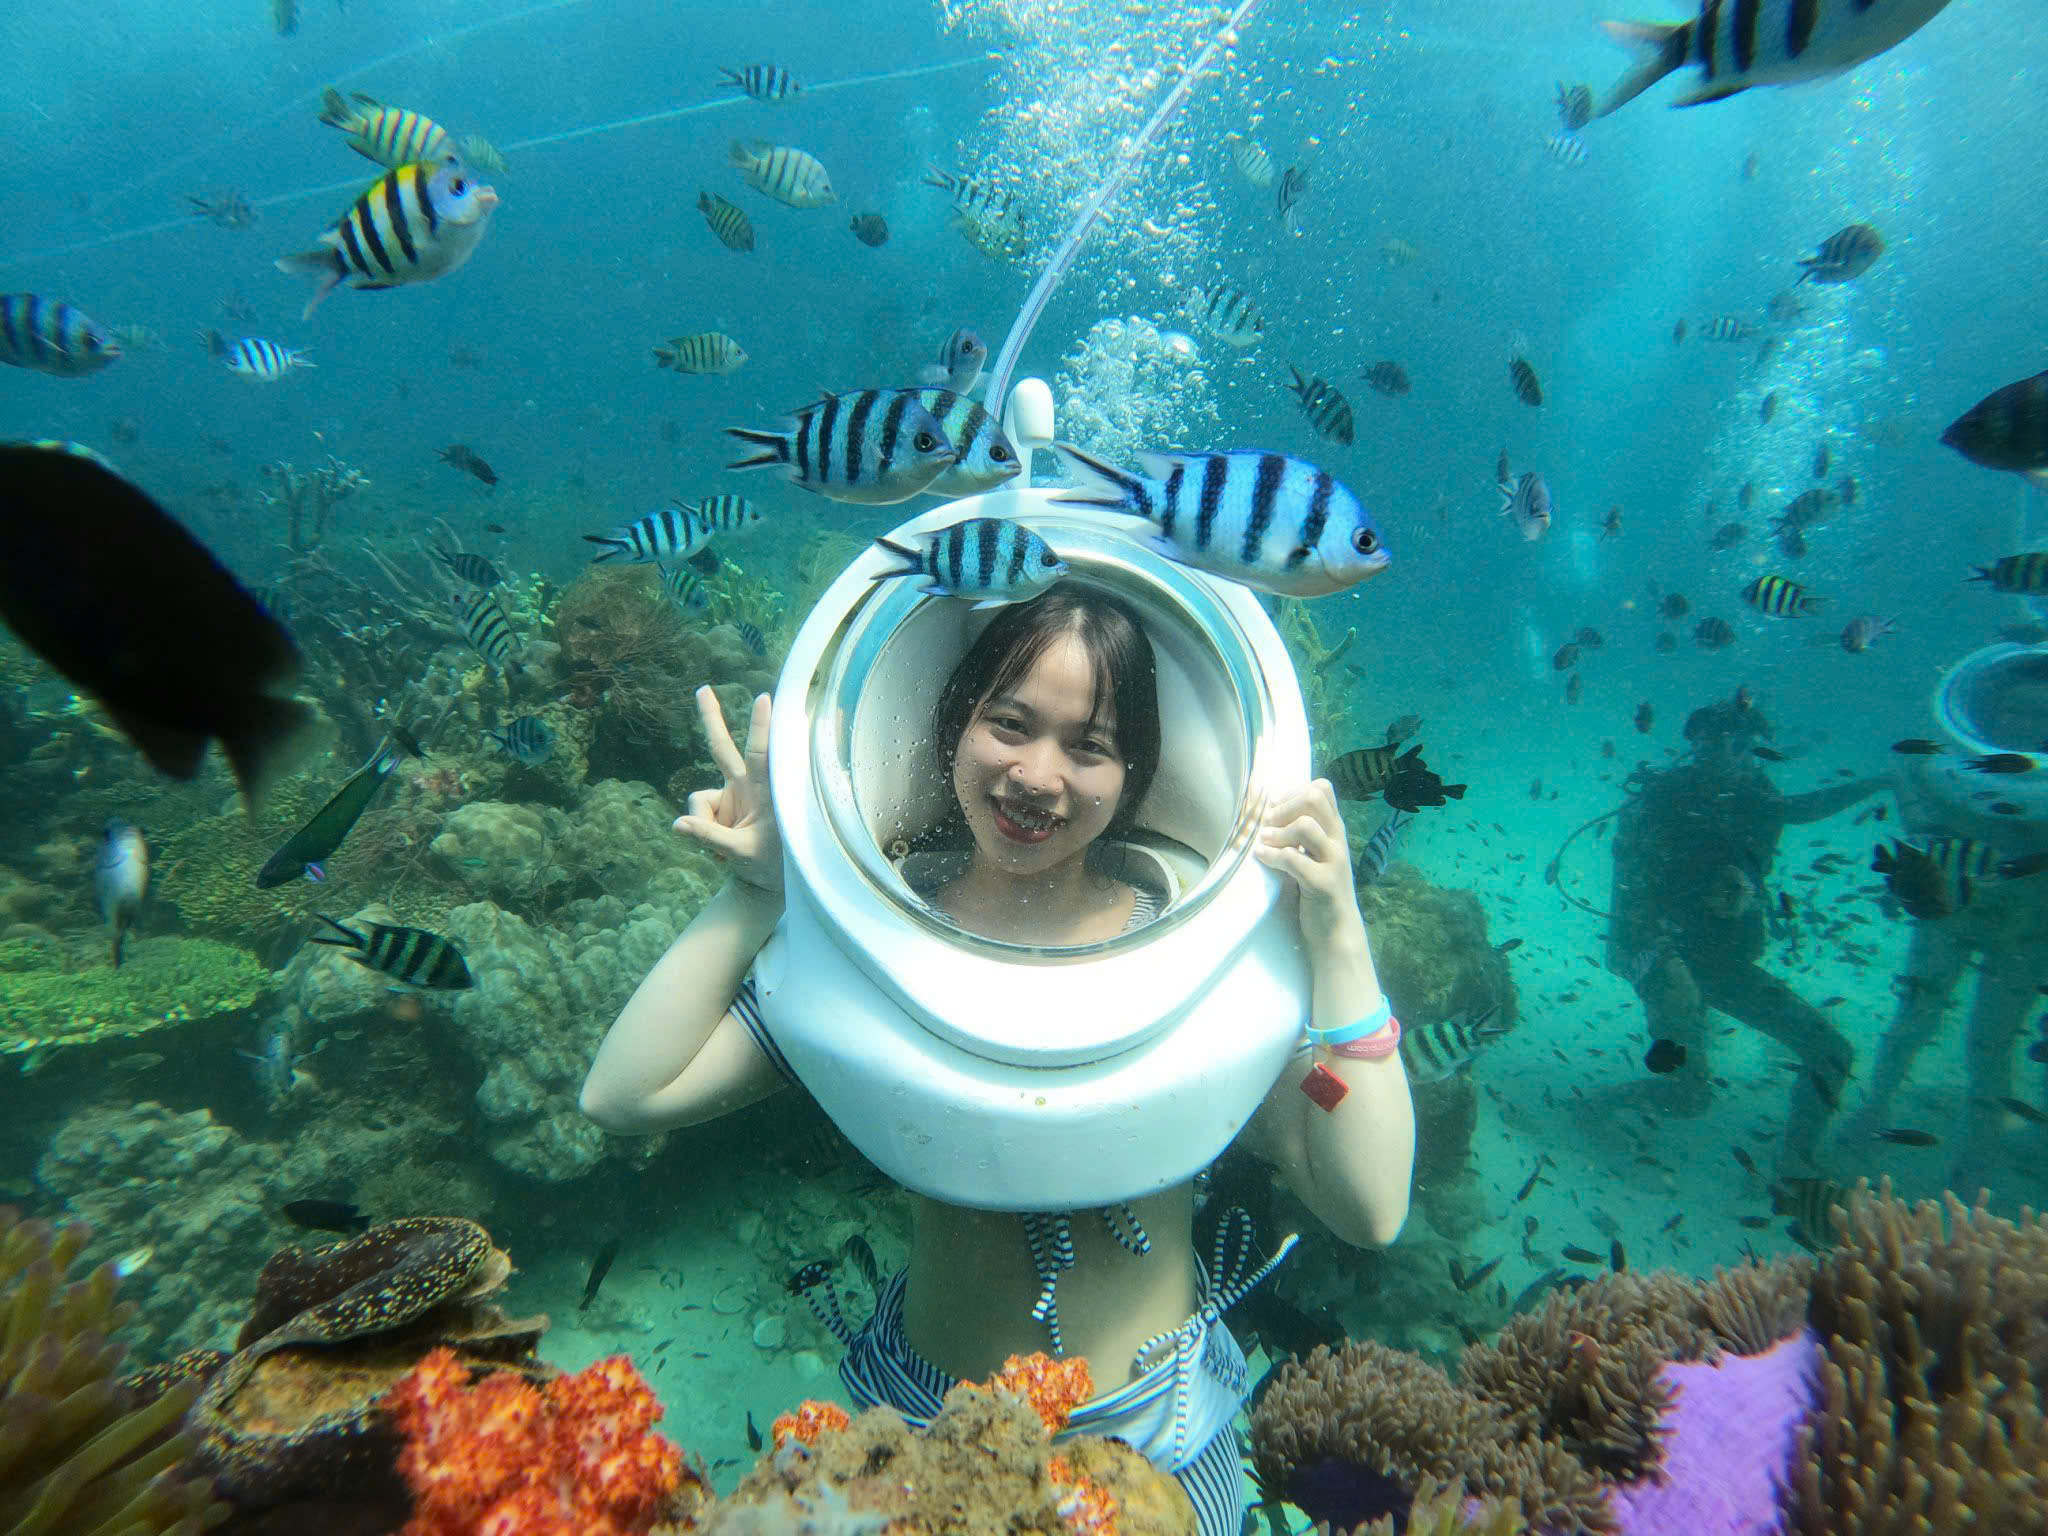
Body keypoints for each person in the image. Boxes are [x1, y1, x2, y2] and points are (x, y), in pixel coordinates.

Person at [581, 585, 1415, 1535]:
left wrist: (1339, 939)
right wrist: (759, 893)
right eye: (1008, 724)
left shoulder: (1202, 954)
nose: (1037, 775)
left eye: (1088, 747)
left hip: (1168, 1439)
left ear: (1133, 775)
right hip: (923, 1426)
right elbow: (627, 1092)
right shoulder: (873, 941)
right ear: (954, 723)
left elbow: (1371, 1207)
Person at [1605, 690, 1885, 1175]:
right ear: (1695, 746)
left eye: (1734, 744)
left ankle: (1796, 1170)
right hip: (1662, 962)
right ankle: (1590, 1107)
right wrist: (1664, 962)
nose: (1720, 754)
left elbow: (1805, 810)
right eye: (1707, 743)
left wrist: (1746, 888)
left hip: (1723, 962)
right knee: (1689, 1098)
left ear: (1751, 747)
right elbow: (1629, 897)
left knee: (1832, 1053)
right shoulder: (1661, 800)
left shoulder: (1761, 800)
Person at [1837, 738, 2048, 1185]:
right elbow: (1913, 795)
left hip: (2029, 923)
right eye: (2009, 709)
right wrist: (1904, 881)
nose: (2017, 721)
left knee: (1991, 1042)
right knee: (1913, 1019)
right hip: (1943, 908)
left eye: (2032, 711)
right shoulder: (1949, 756)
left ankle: (1981, 1152)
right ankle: (1874, 1112)